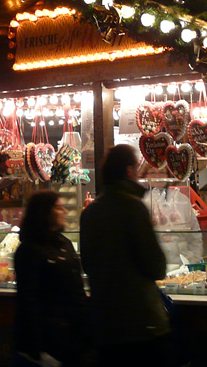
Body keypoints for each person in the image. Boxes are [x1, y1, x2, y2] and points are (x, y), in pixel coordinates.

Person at [79, 145, 169, 367]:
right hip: (139, 324)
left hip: (105, 326)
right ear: (129, 171)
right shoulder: (134, 208)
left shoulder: (90, 212)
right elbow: (156, 266)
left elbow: (88, 264)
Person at [14, 190, 90, 366]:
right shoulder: (29, 251)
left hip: (71, 340)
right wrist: (37, 350)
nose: (64, 211)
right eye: (58, 208)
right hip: (49, 344)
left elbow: (77, 290)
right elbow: (28, 302)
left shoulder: (65, 244)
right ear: (44, 213)